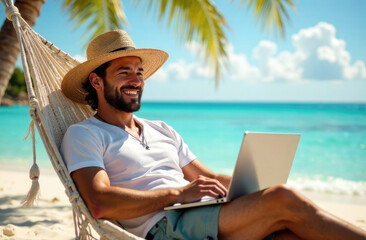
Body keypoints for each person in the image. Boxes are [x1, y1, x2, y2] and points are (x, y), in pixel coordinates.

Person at [60, 30, 366, 240]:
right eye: (123, 72)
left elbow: (208, 178)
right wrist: (178, 195)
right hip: (165, 228)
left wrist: (258, 183)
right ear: (96, 81)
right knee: (283, 201)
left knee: (290, 230)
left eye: (139, 72)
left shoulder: (161, 129)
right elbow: (99, 202)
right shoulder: (85, 134)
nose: (136, 80)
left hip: (202, 215)